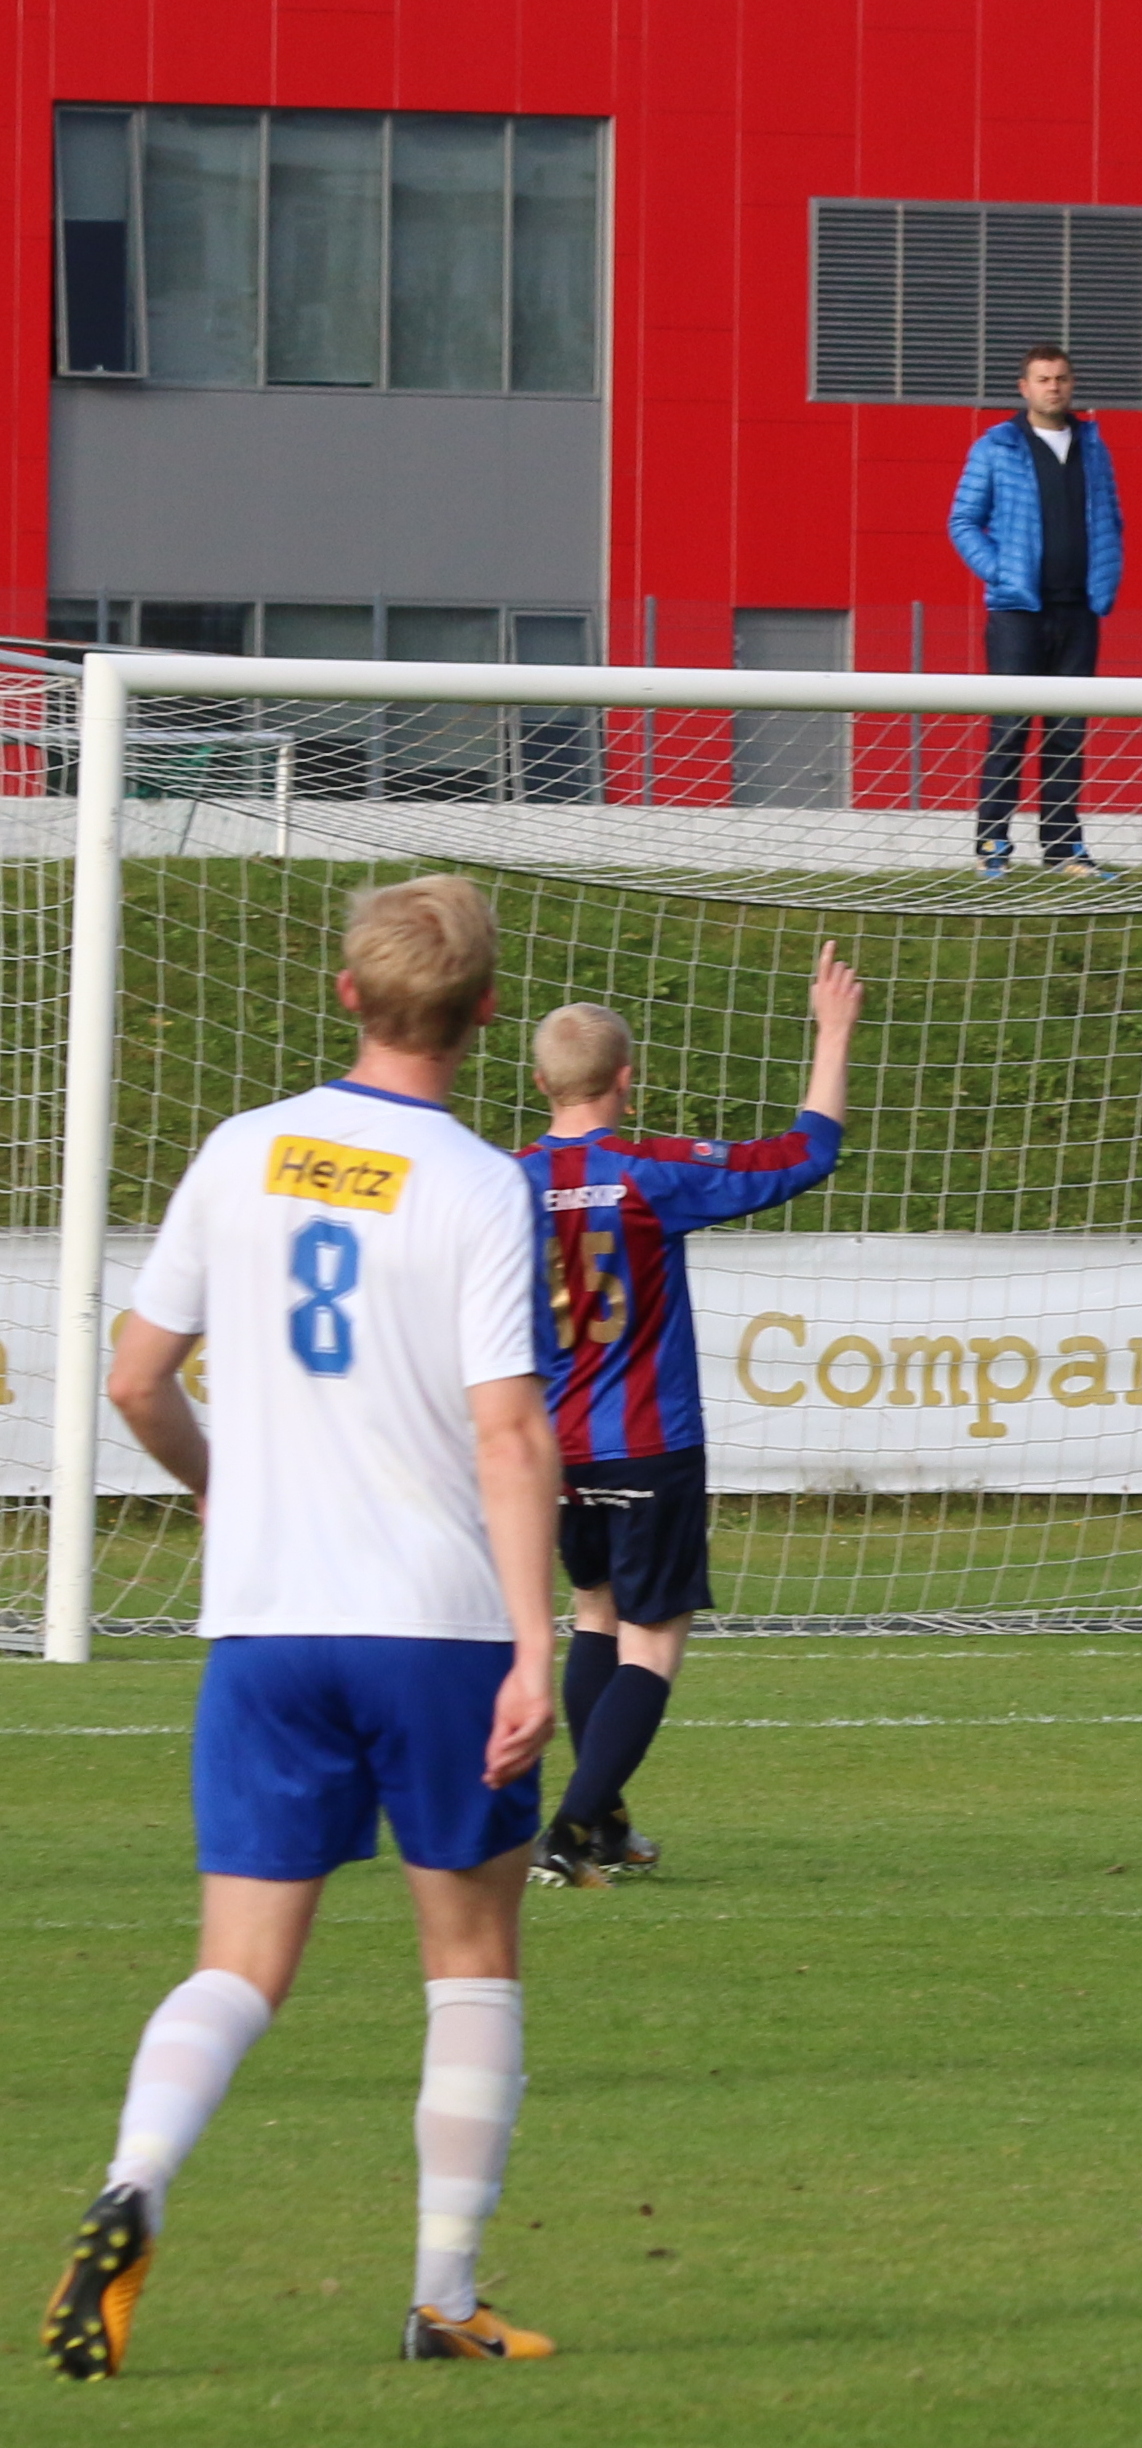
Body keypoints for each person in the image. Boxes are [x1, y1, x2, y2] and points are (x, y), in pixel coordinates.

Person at [45, 878, 566, 2376]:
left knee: (238, 1964)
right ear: (484, 1014)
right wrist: (537, 1645)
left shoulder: (240, 1150)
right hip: (435, 1628)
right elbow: (509, 1430)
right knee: (470, 1956)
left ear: (347, 994)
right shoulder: (479, 1185)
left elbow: (137, 1378)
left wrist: (221, 1485)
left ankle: (134, 2182)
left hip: (268, 1629)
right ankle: (444, 2297)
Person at [512, 947, 860, 1886]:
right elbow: (805, 1154)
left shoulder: (501, 1183)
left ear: (542, 1083)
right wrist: (832, 1034)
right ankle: (570, 1829)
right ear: (626, 1079)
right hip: (650, 1445)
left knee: (594, 1614)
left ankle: (607, 1827)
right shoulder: (649, 1173)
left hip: (555, 1451)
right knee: (654, 1639)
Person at [948, 344, 1124, 880]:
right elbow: (963, 521)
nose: (1054, 387)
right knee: (1010, 727)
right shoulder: (996, 447)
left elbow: (1111, 517)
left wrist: (1106, 576)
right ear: (1024, 388)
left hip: (1078, 611)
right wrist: (1001, 572)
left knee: (1067, 732)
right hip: (1018, 614)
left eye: (1062, 378)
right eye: (1044, 379)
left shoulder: (1094, 447)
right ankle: (992, 846)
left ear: (1072, 385)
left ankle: (1064, 850)